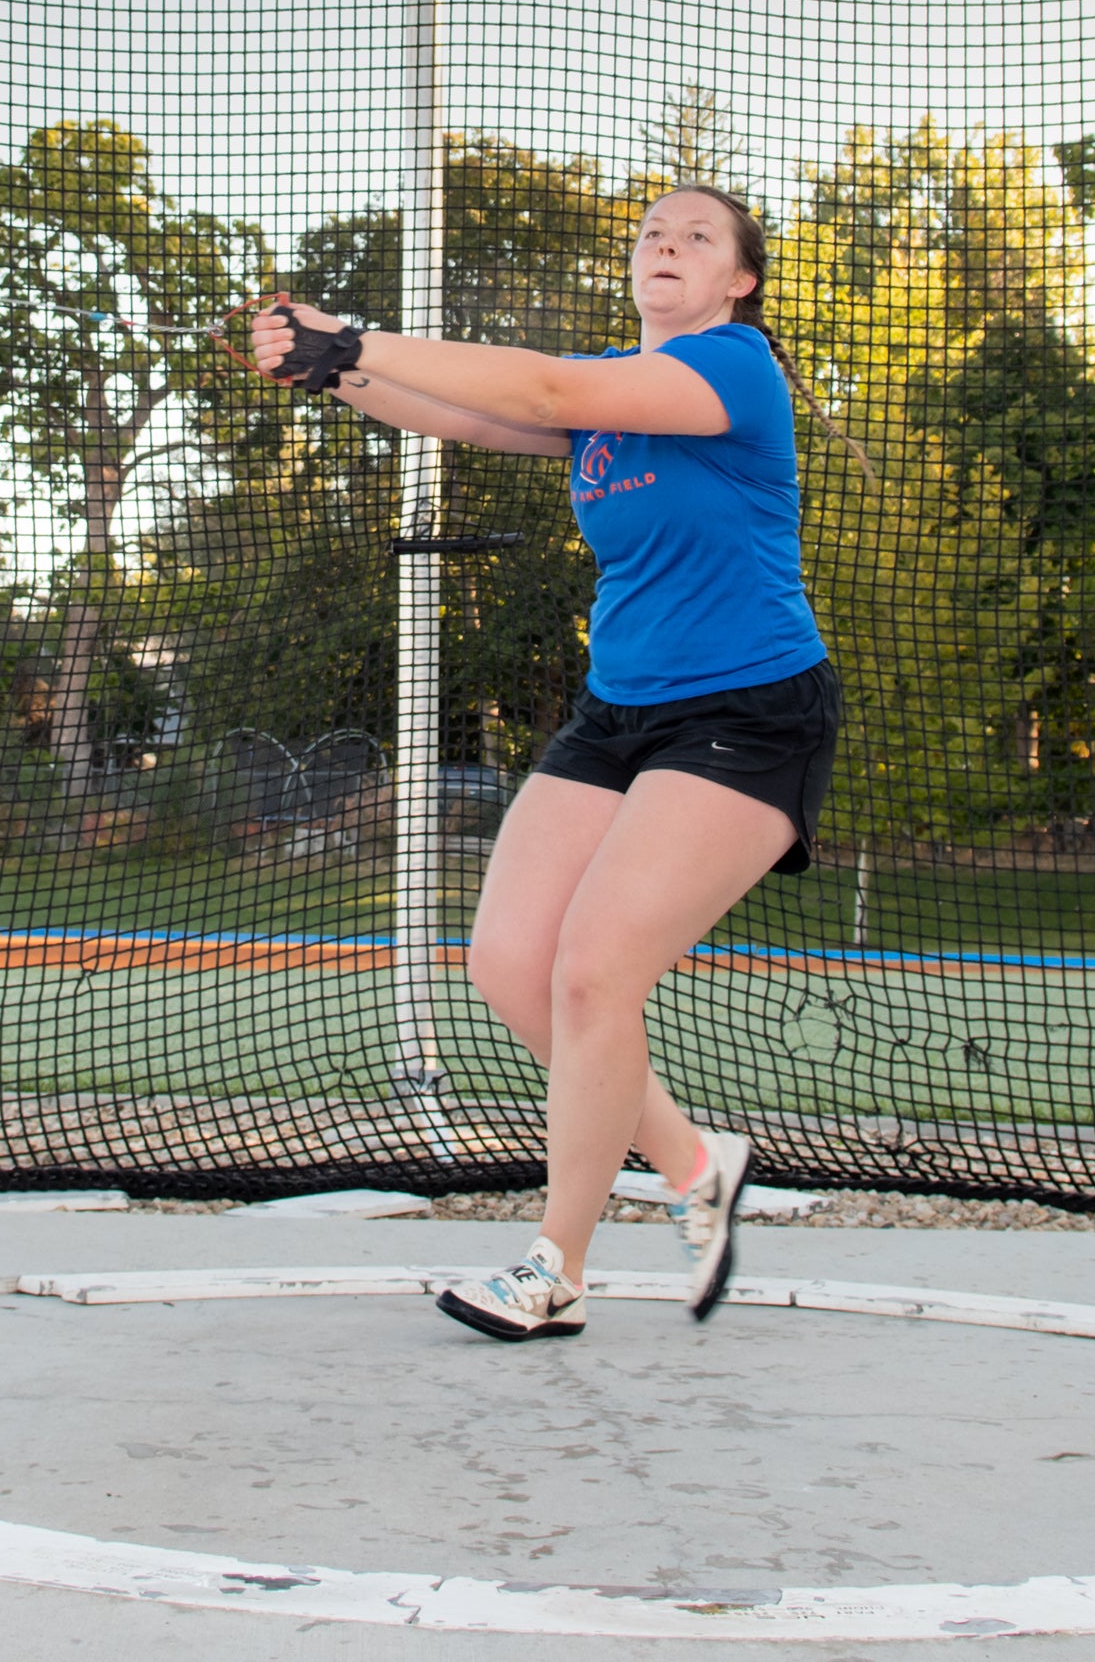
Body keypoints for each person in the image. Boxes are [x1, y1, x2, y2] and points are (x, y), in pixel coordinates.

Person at [250, 185, 845, 1342]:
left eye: (696, 238)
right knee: (510, 966)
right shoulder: (613, 404)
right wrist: (329, 371)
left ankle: (556, 1264)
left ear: (740, 281)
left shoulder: (736, 369)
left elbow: (542, 385)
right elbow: (474, 418)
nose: (666, 247)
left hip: (750, 713)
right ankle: (693, 1164)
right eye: (652, 237)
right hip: (617, 714)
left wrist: (354, 334)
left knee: (592, 974)